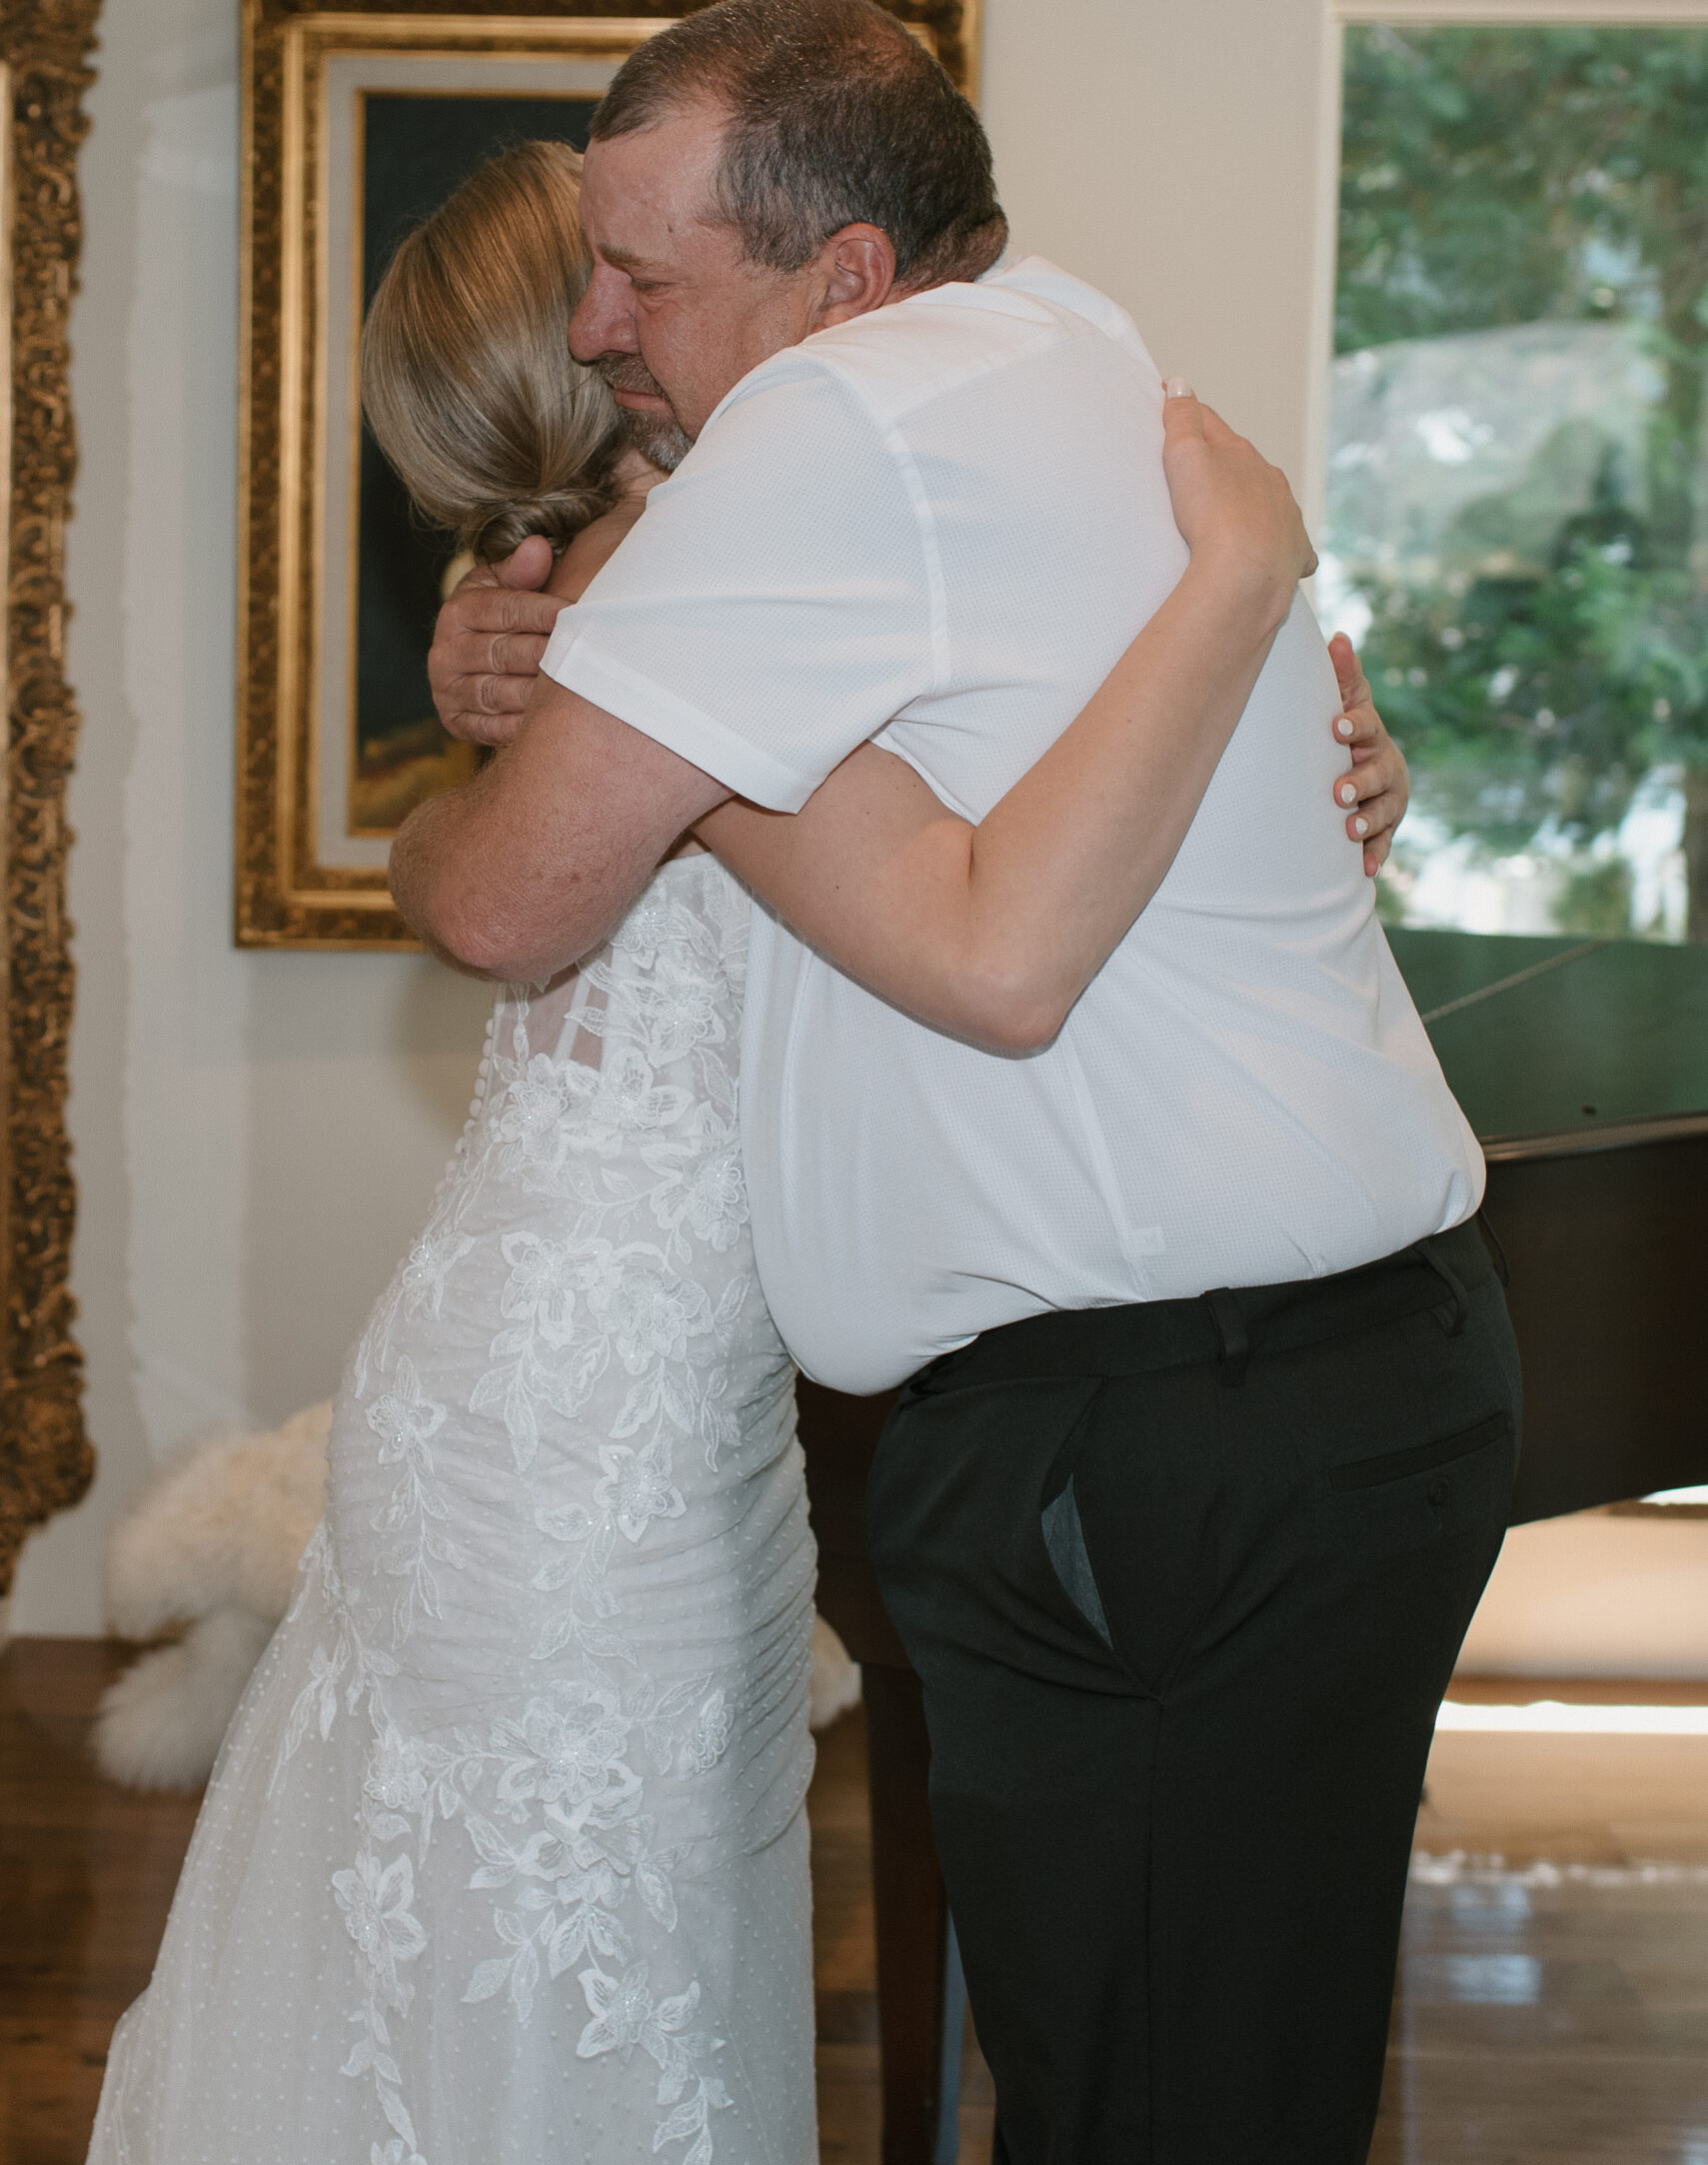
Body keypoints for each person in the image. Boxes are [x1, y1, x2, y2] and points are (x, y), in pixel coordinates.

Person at [88, 139, 1397, 2165]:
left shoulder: (680, 597)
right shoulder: (695, 616)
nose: (667, 319)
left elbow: (1011, 771)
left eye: (658, 279)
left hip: (644, 1413)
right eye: (629, 288)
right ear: (597, 353)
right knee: (538, 1973)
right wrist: (1240, 604)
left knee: (573, 1959)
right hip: (570, 1439)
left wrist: (1302, 768)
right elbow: (950, 921)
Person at [403, 0, 1519, 2165]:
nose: (596, 316)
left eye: (642, 269)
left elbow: (519, 907)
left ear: (842, 278)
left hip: (1153, 1430)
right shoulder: (1087, 352)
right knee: (1222, 2080)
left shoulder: (830, 437)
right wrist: (1260, 615)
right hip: (1348, 1387)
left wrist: (1244, 584)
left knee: (1143, 2098)